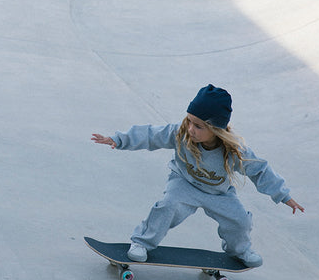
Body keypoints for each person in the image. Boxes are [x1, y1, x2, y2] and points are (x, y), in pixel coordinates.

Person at [91, 84, 303, 266]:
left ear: (216, 129)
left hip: (219, 194)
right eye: (190, 121)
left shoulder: (234, 151)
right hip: (184, 184)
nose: (191, 129)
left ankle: (240, 251)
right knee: (167, 206)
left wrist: (284, 196)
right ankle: (141, 242)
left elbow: (260, 170)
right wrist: (118, 140)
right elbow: (151, 135)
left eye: (199, 126)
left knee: (240, 221)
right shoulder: (181, 134)